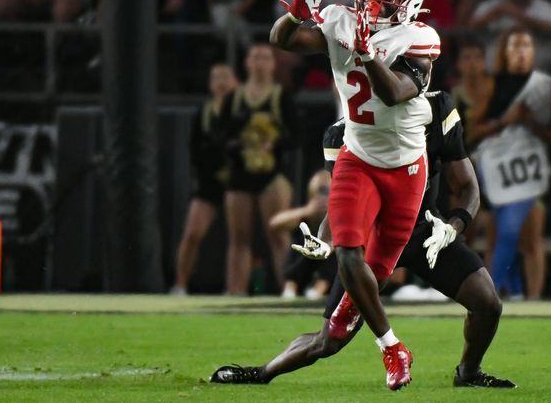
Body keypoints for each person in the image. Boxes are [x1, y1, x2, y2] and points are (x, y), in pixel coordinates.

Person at [210, 90, 515, 389]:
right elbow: (343, 205)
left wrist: (452, 227)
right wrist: (326, 241)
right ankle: (260, 373)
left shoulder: (434, 109)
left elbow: (467, 185)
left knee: (487, 303)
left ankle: (468, 374)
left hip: (425, 232)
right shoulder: (342, 134)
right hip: (373, 245)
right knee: (330, 339)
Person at [268, 0, 440, 390]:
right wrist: (296, 17)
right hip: (357, 157)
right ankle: (393, 348)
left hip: (404, 170)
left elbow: (396, 92)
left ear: (411, 0)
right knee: (347, 251)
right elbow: (282, 41)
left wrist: (365, 54)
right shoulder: (342, 20)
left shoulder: (419, 37)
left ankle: (268, 373)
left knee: (354, 308)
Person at [468, 28, 551, 299]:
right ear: (504, 52)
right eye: (515, 46)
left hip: (530, 170)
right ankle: (503, 293)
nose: (520, 52)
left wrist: (529, 121)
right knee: (498, 237)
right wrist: (505, 122)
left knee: (531, 240)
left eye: (526, 45)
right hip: (498, 170)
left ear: (534, 52)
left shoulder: (544, 86)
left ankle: (532, 300)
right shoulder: (490, 85)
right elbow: (471, 131)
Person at [222, 43, 297, 295]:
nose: (260, 63)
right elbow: (221, 134)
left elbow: (297, 135)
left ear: (273, 64)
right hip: (240, 173)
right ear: (246, 63)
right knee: (238, 238)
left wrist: (273, 143)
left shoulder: (280, 96)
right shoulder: (235, 98)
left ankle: (288, 287)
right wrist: (239, 143)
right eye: (255, 57)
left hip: (271, 175)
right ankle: (235, 293)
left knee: (278, 236)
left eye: (265, 58)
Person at [171, 63, 238, 295]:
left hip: (237, 181)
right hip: (209, 180)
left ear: (235, 82)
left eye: (225, 77)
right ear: (210, 84)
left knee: (238, 238)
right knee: (192, 233)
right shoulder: (204, 111)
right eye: (216, 77)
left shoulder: (241, 108)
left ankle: (234, 288)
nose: (221, 82)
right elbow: (195, 148)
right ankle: (180, 283)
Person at [269, 169, 336, 299]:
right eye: (321, 192)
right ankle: (290, 288)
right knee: (302, 242)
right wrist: (307, 210)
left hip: (331, 275)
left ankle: (319, 289)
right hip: (304, 272)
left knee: (336, 249)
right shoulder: (306, 217)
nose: (324, 197)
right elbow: (274, 223)